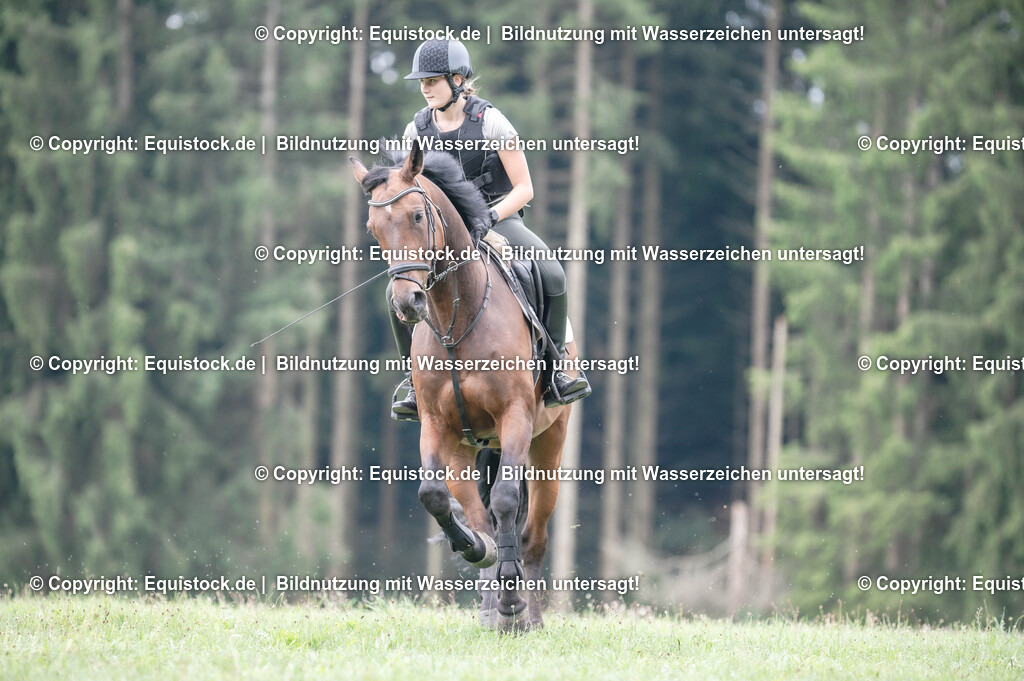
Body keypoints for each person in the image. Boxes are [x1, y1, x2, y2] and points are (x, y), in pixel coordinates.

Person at [389, 39, 591, 421]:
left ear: (458, 79)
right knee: (394, 292)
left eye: (433, 80)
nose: (425, 87)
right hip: (442, 233)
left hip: (499, 220)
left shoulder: (492, 122)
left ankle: (556, 368)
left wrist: (489, 218)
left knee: (550, 270)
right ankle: (413, 380)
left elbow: (525, 189)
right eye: (422, 81)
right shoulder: (414, 130)